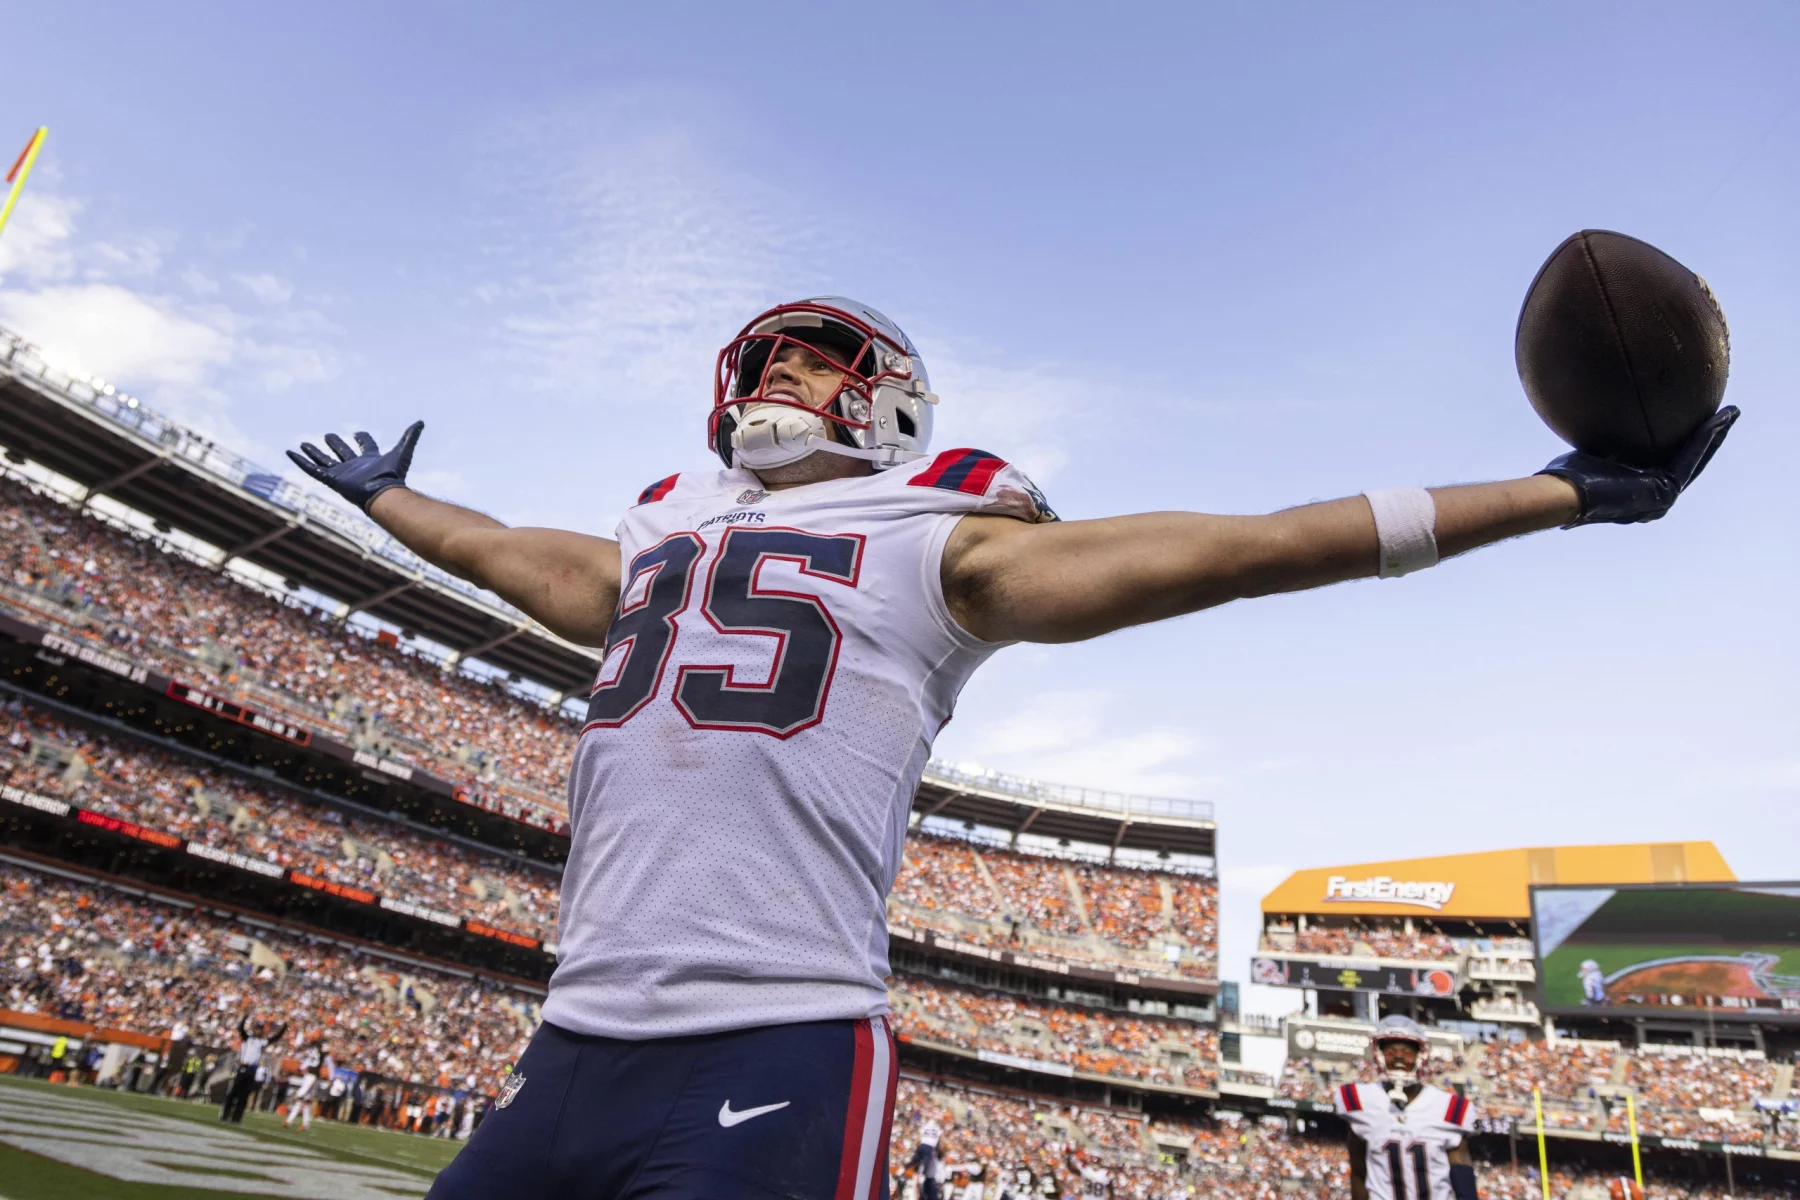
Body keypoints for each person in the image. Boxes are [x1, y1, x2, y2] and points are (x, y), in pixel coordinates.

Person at [288, 296, 1736, 1200]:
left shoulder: (947, 537)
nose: (782, 377)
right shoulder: (660, 533)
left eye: (817, 360)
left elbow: (1249, 547)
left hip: (775, 1039)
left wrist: (1552, 498)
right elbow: (501, 551)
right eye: (770, 360)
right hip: (573, 1040)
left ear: (894, 403)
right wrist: (396, 507)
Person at [1334, 1015, 1478, 1200]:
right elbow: (1360, 1172)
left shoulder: (1449, 1107)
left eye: (1407, 1051)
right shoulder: (1360, 1101)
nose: (1399, 1056)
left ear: (1421, 1056)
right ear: (1378, 1054)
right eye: (1391, 1051)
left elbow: (1462, 1176)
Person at [222, 1015, 285, 1124]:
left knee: (244, 1095)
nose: (258, 1031)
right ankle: (225, 1115)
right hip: (243, 1067)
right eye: (257, 1029)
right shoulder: (248, 1038)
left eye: (260, 1030)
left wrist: (284, 1027)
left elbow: (276, 1037)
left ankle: (236, 1118)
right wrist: (245, 1017)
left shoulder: (262, 1042)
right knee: (233, 1093)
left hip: (252, 1069)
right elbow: (241, 1028)